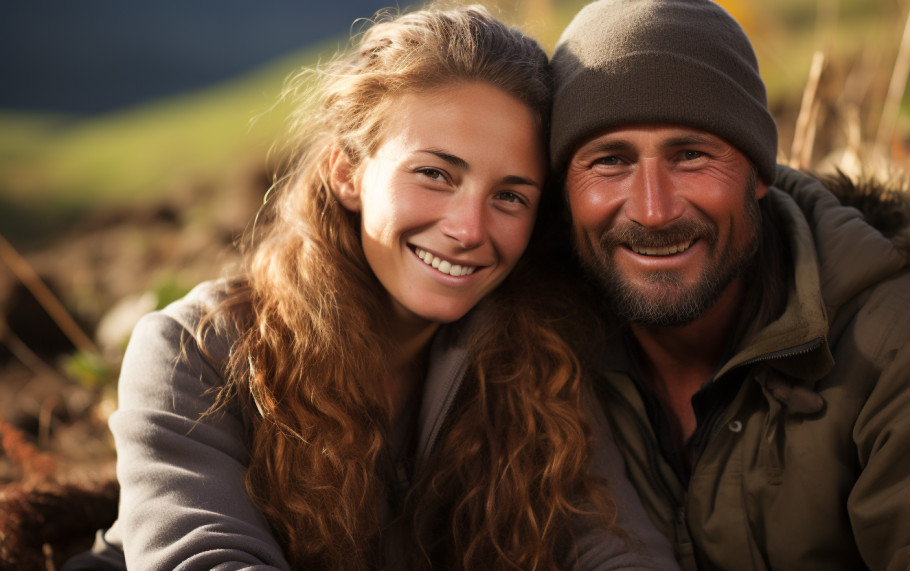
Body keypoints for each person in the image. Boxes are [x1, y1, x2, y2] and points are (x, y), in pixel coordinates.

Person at [61, 5, 678, 570]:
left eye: (510, 196)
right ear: (347, 172)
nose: (468, 229)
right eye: (434, 173)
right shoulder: (196, 350)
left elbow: (618, 549)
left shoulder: (540, 358)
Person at [548, 0, 910, 569]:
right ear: (563, 191)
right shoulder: (536, 354)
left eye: (691, 155)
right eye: (609, 161)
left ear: (760, 171)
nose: (654, 210)